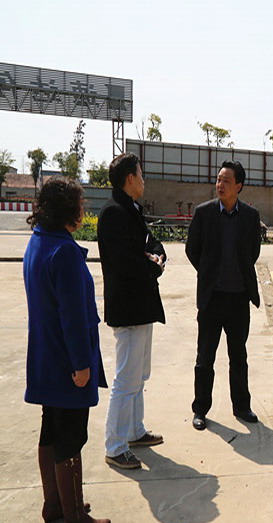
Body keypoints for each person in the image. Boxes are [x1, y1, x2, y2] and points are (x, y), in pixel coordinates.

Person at [24, 178, 111, 523]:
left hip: (45, 355)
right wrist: (81, 365)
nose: (82, 209)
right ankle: (75, 519)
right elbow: (73, 317)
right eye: (80, 204)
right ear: (68, 210)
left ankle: (55, 503)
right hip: (66, 360)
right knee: (71, 435)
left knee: (51, 428)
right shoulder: (65, 253)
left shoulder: (38, 242)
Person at [98, 152, 166, 470]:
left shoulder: (129, 209)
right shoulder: (114, 213)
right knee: (126, 379)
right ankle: (115, 445)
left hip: (140, 307)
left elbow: (150, 242)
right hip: (128, 308)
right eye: (140, 174)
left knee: (139, 375)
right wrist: (152, 266)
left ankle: (134, 431)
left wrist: (157, 255)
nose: (143, 180)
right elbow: (124, 261)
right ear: (130, 178)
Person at [186, 160, 262, 431]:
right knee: (205, 357)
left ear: (238, 186)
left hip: (239, 299)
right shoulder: (204, 213)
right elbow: (192, 249)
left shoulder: (250, 217)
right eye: (218, 179)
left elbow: (253, 252)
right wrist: (209, 272)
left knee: (238, 356)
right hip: (212, 298)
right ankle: (200, 409)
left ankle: (241, 406)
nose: (220, 184)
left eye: (226, 181)